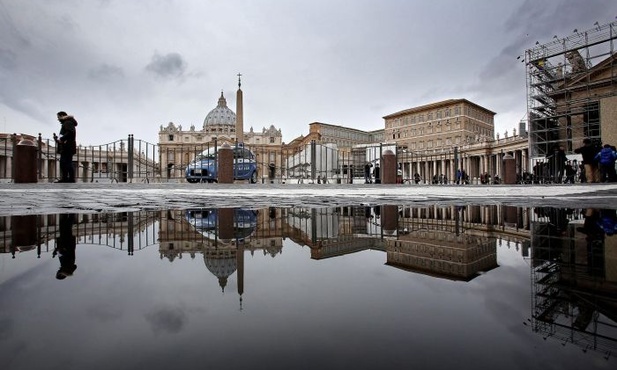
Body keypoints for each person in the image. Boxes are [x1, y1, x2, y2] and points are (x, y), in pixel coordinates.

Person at [54, 111, 78, 183]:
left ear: (62, 116)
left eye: (58, 117)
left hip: (67, 146)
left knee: (65, 162)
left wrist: (61, 139)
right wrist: (57, 139)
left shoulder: (67, 122)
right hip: (67, 146)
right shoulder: (68, 122)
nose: (58, 119)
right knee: (65, 162)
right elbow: (68, 133)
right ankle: (68, 178)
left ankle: (68, 178)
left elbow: (70, 132)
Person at [53, 213, 77, 280]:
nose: (57, 271)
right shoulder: (67, 265)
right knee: (66, 227)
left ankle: (66, 214)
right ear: (61, 274)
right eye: (58, 273)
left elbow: (62, 253)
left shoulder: (66, 265)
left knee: (64, 226)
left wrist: (57, 251)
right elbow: (66, 253)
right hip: (67, 242)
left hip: (66, 242)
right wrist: (58, 250)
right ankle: (72, 213)